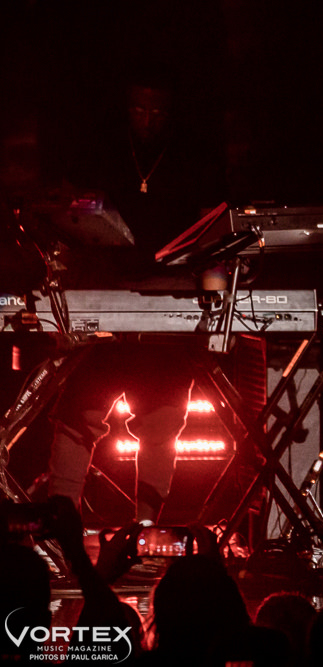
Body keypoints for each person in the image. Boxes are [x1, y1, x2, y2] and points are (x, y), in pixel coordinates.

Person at [45, 69, 225, 525]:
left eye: (159, 112)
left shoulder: (192, 157)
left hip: (170, 296)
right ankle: (60, 526)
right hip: (104, 290)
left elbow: (212, 230)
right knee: (78, 416)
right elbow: (70, 214)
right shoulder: (101, 148)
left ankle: (146, 530)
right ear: (127, 107)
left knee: (163, 423)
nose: (148, 120)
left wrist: (216, 291)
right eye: (140, 110)